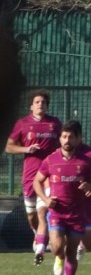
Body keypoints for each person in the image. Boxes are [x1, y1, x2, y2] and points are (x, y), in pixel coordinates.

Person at [34, 121, 91, 275]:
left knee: (72, 250)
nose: (67, 140)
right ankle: (58, 257)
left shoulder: (85, 162)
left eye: (71, 137)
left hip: (77, 214)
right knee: (57, 247)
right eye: (64, 137)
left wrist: (90, 187)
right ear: (60, 139)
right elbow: (37, 181)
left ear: (77, 139)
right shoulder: (51, 159)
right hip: (57, 212)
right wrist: (46, 199)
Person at [6, 89, 62, 265]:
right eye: (37, 102)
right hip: (30, 175)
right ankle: (37, 233)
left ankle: (40, 249)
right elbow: (9, 147)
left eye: (43, 102)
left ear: (47, 106)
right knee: (32, 215)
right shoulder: (22, 124)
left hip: (49, 176)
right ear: (31, 106)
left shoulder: (55, 124)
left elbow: (63, 143)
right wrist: (26, 149)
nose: (40, 105)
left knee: (42, 211)